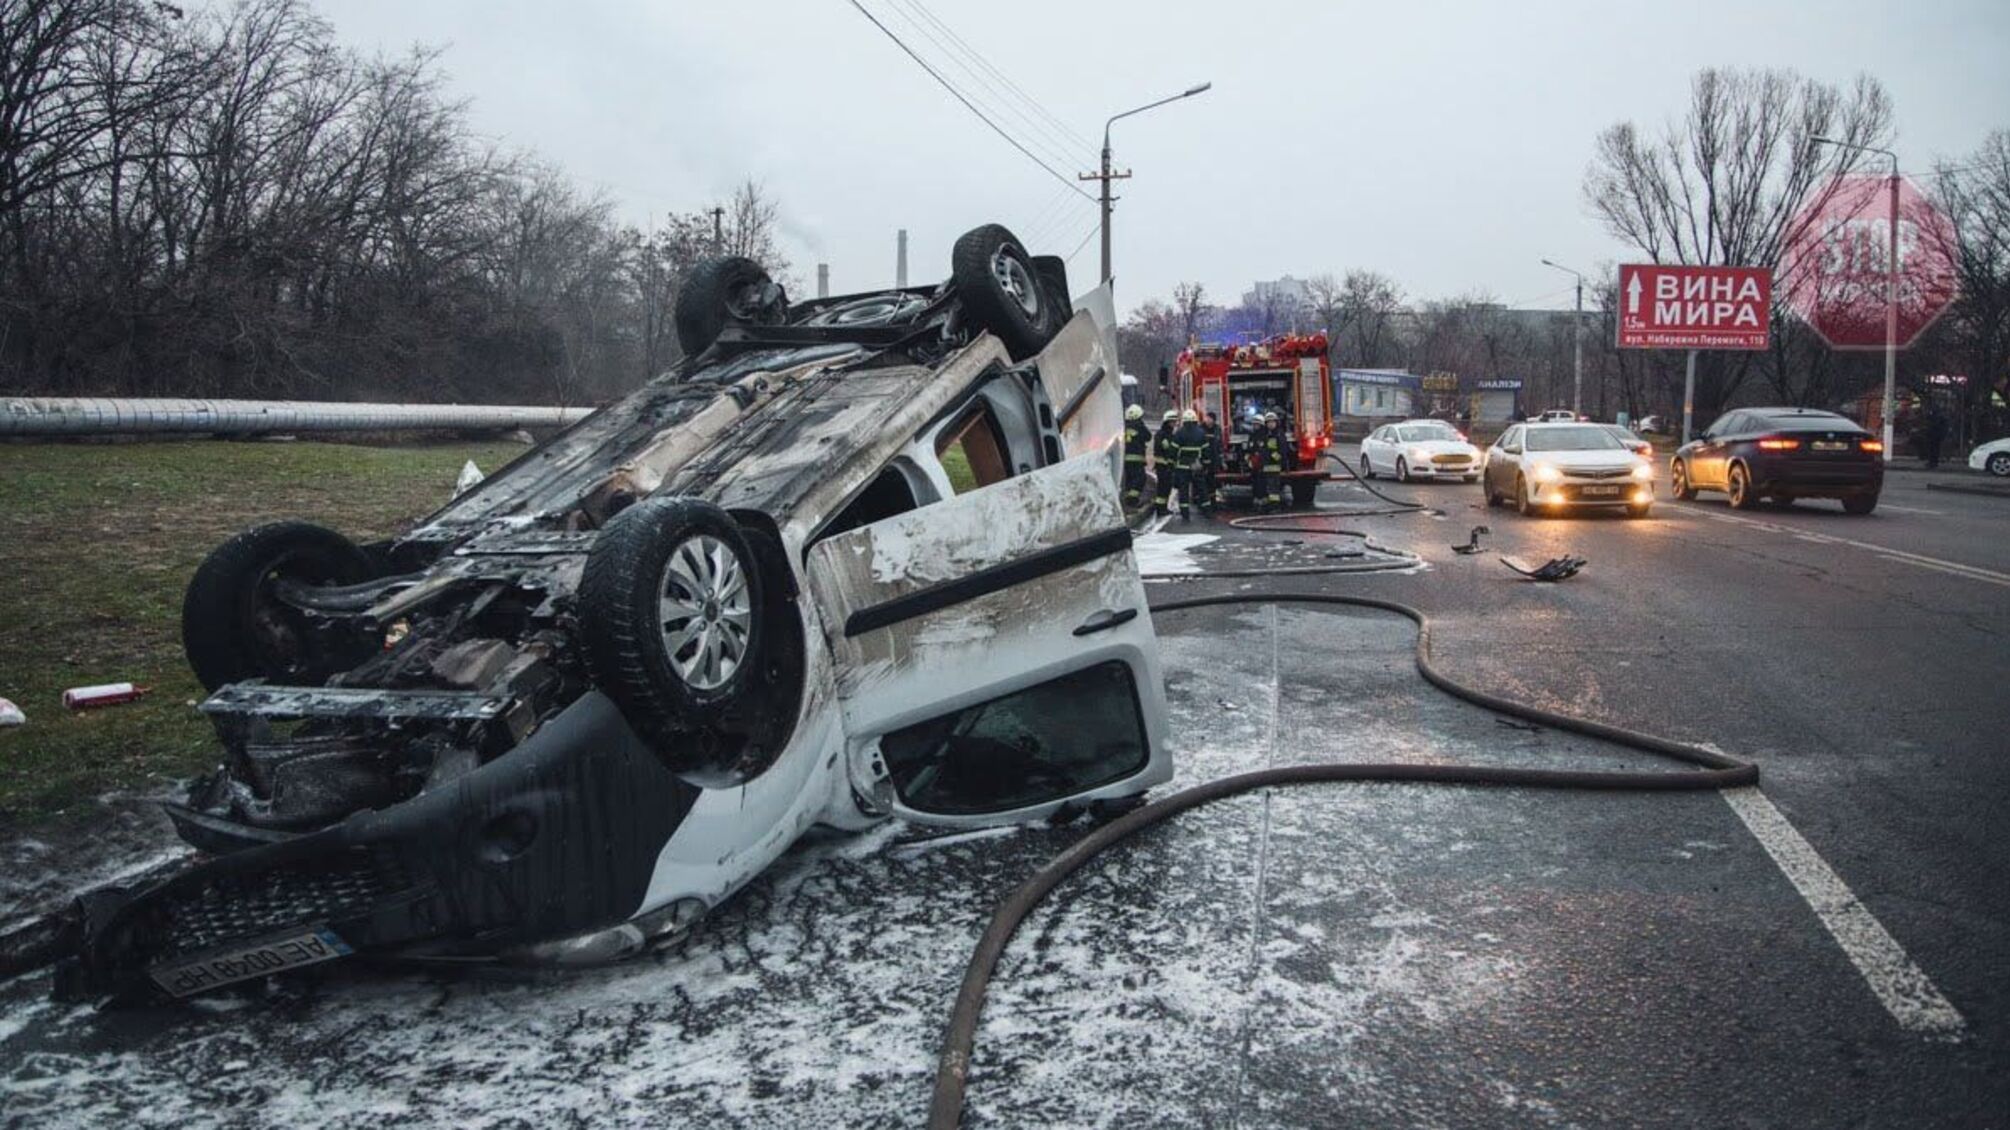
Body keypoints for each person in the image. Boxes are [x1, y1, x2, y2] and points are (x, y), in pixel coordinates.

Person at [1171, 409, 1209, 520]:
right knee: (1202, 489)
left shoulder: (1179, 433)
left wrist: (1171, 464)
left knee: (1183, 491)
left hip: (1182, 467)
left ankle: (1185, 513)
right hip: (1196, 466)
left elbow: (1173, 451)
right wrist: (1206, 465)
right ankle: (1207, 511)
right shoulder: (1201, 433)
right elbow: (1206, 451)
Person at [1248, 413, 1285, 512]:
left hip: (1274, 465)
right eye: (1268, 422)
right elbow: (1264, 449)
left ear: (1276, 422)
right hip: (1266, 465)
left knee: (1274, 489)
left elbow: (1281, 450)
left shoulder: (1279, 434)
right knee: (1268, 487)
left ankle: (1275, 507)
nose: (1270, 424)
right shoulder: (1267, 434)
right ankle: (1269, 506)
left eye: (1272, 422)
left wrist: (1274, 458)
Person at [1120, 404, 1150, 508]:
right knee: (1140, 478)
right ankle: (1132, 500)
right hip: (1137, 459)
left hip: (1125, 459)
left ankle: (1127, 500)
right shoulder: (1139, 426)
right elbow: (1148, 437)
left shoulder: (1123, 426)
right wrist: (1141, 424)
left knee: (1129, 479)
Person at [1152, 408, 1180, 516]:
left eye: (1175, 421)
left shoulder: (1169, 434)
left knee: (1166, 488)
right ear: (1167, 422)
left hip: (1167, 466)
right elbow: (1165, 449)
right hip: (1163, 466)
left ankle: (1162, 508)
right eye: (1172, 421)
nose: (1174, 424)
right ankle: (1160, 509)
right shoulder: (1162, 434)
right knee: (1163, 488)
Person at [1200, 410, 1225, 513]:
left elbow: (1219, 445)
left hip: (1214, 461)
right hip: (1203, 460)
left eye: (1209, 418)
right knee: (1202, 483)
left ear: (1213, 420)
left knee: (1212, 483)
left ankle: (1213, 503)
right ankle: (1203, 503)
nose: (1207, 420)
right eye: (1206, 418)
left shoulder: (1217, 429)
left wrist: (1222, 461)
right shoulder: (1201, 429)